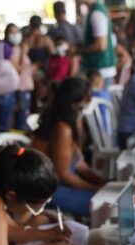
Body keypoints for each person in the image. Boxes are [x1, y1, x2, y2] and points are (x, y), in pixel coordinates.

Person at [30, 78, 106, 219]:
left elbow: (78, 163)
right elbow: (63, 174)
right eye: (86, 99)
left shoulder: (69, 122)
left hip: (55, 183)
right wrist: (95, 188)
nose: (89, 102)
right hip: (47, 190)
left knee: (105, 198)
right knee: (103, 205)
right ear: (74, 104)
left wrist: (102, 181)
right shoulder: (62, 128)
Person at [80, 0, 117, 87]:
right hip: (98, 70)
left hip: (100, 71)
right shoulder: (94, 11)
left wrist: (79, 50)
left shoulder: (97, 13)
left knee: (99, 98)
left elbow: (101, 45)